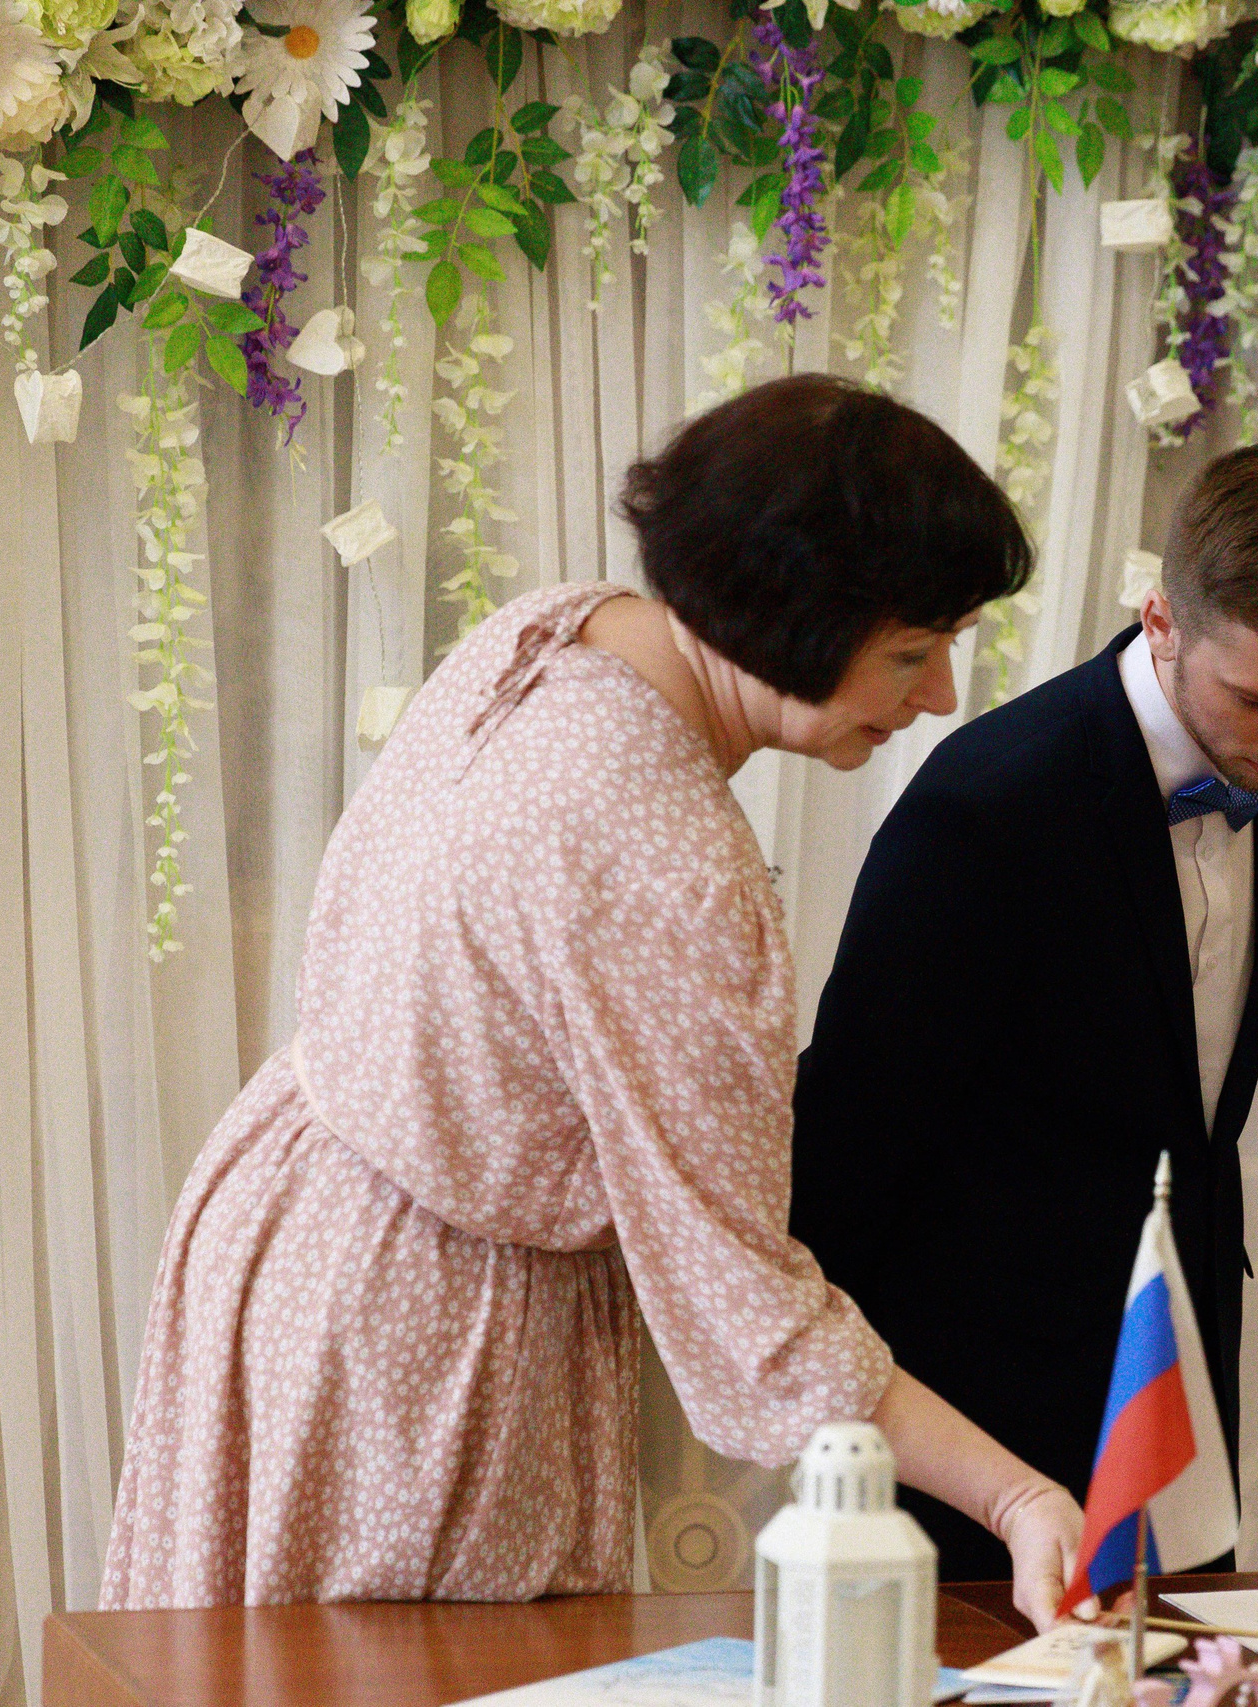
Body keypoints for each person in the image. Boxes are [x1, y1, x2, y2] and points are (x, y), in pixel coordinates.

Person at [102, 377, 1084, 1625]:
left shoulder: (557, 630)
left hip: (283, 1212)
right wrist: (1015, 1499)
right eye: (912, 651)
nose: (939, 695)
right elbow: (753, 1321)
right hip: (420, 1325)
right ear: (787, 618)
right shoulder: (674, 864)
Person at [791, 443, 1258, 1581]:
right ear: (1160, 619)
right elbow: (844, 1161)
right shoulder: (985, 808)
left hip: (1181, 1372)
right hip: (977, 1412)